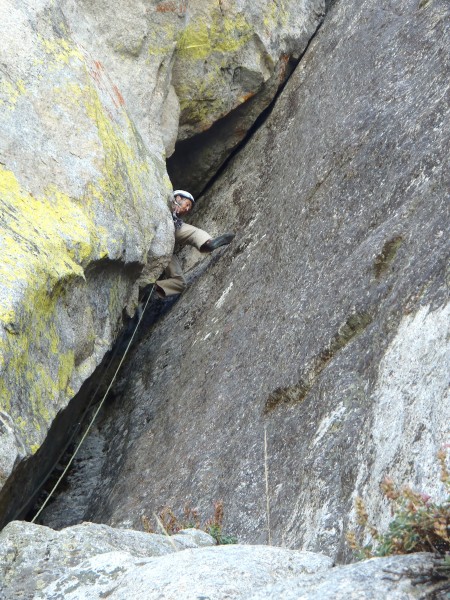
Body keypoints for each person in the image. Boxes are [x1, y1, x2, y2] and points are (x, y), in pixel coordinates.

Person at [154, 189, 234, 298]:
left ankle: (154, 288)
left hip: (163, 248)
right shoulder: (165, 201)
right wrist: (172, 206)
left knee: (180, 284)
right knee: (193, 232)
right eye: (187, 204)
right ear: (178, 198)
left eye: (189, 208)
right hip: (160, 230)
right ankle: (207, 243)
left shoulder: (176, 220)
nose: (187, 209)